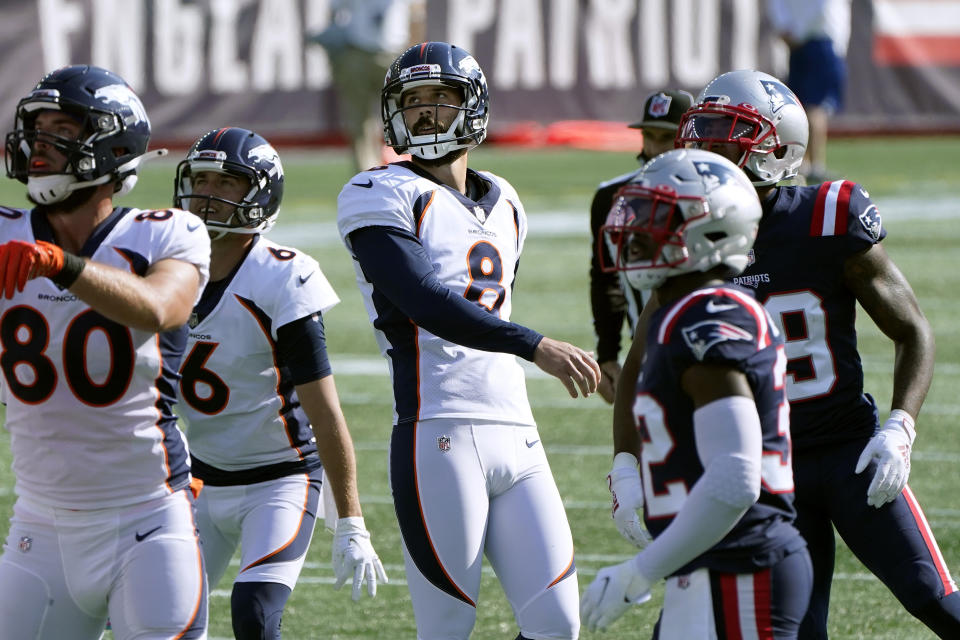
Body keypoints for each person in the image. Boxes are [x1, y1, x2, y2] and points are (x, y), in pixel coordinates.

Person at [668, 69, 960, 638]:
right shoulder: (692, 234)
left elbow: (913, 331)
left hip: (850, 453)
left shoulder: (826, 215)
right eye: (702, 133)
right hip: (768, 469)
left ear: (780, 147)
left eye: (727, 135)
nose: (707, 151)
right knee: (797, 631)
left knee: (933, 597)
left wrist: (900, 427)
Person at [336, 41, 601, 640]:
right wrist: (537, 346)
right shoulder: (376, 192)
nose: (426, 112)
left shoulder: (506, 197)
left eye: (442, 98)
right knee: (447, 631)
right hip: (439, 433)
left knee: (558, 625)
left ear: (473, 108)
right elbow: (426, 302)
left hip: (518, 432)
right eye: (414, 100)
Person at [0, 65, 210, 638]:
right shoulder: (4, 234)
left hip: (148, 519)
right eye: (36, 128)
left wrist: (61, 266)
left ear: (110, 145)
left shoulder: (167, 232)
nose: (40, 144)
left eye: (61, 128)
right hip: (38, 525)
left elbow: (160, 308)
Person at [581, 148, 812, 636]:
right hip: (706, 563)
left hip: (742, 563)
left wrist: (639, 571)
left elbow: (736, 474)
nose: (637, 231)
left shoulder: (710, 315)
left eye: (657, 218)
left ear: (711, 230)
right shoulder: (678, 309)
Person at [172, 127, 386, 639]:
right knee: (161, 618)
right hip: (198, 479)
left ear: (258, 194)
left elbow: (325, 410)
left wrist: (352, 519)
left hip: (280, 480)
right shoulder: (166, 270)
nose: (206, 195)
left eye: (225, 184)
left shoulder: (281, 277)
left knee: (255, 614)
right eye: (200, 180)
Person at [590, 89, 694, 403]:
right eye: (648, 134)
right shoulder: (613, 196)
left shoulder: (721, 195)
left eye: (665, 137)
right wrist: (607, 354)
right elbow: (606, 279)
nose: (653, 147)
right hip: (648, 351)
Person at [308, 0, 426, 172]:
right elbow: (416, 14)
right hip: (363, 53)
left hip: (389, 53)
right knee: (362, 120)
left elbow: (416, 13)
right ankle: (369, 175)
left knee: (407, 115)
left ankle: (410, 168)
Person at [767, 0, 852, 183]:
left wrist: (787, 28)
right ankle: (815, 166)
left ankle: (801, 165)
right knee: (815, 108)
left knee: (801, 105)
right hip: (820, 40)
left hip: (803, 41)